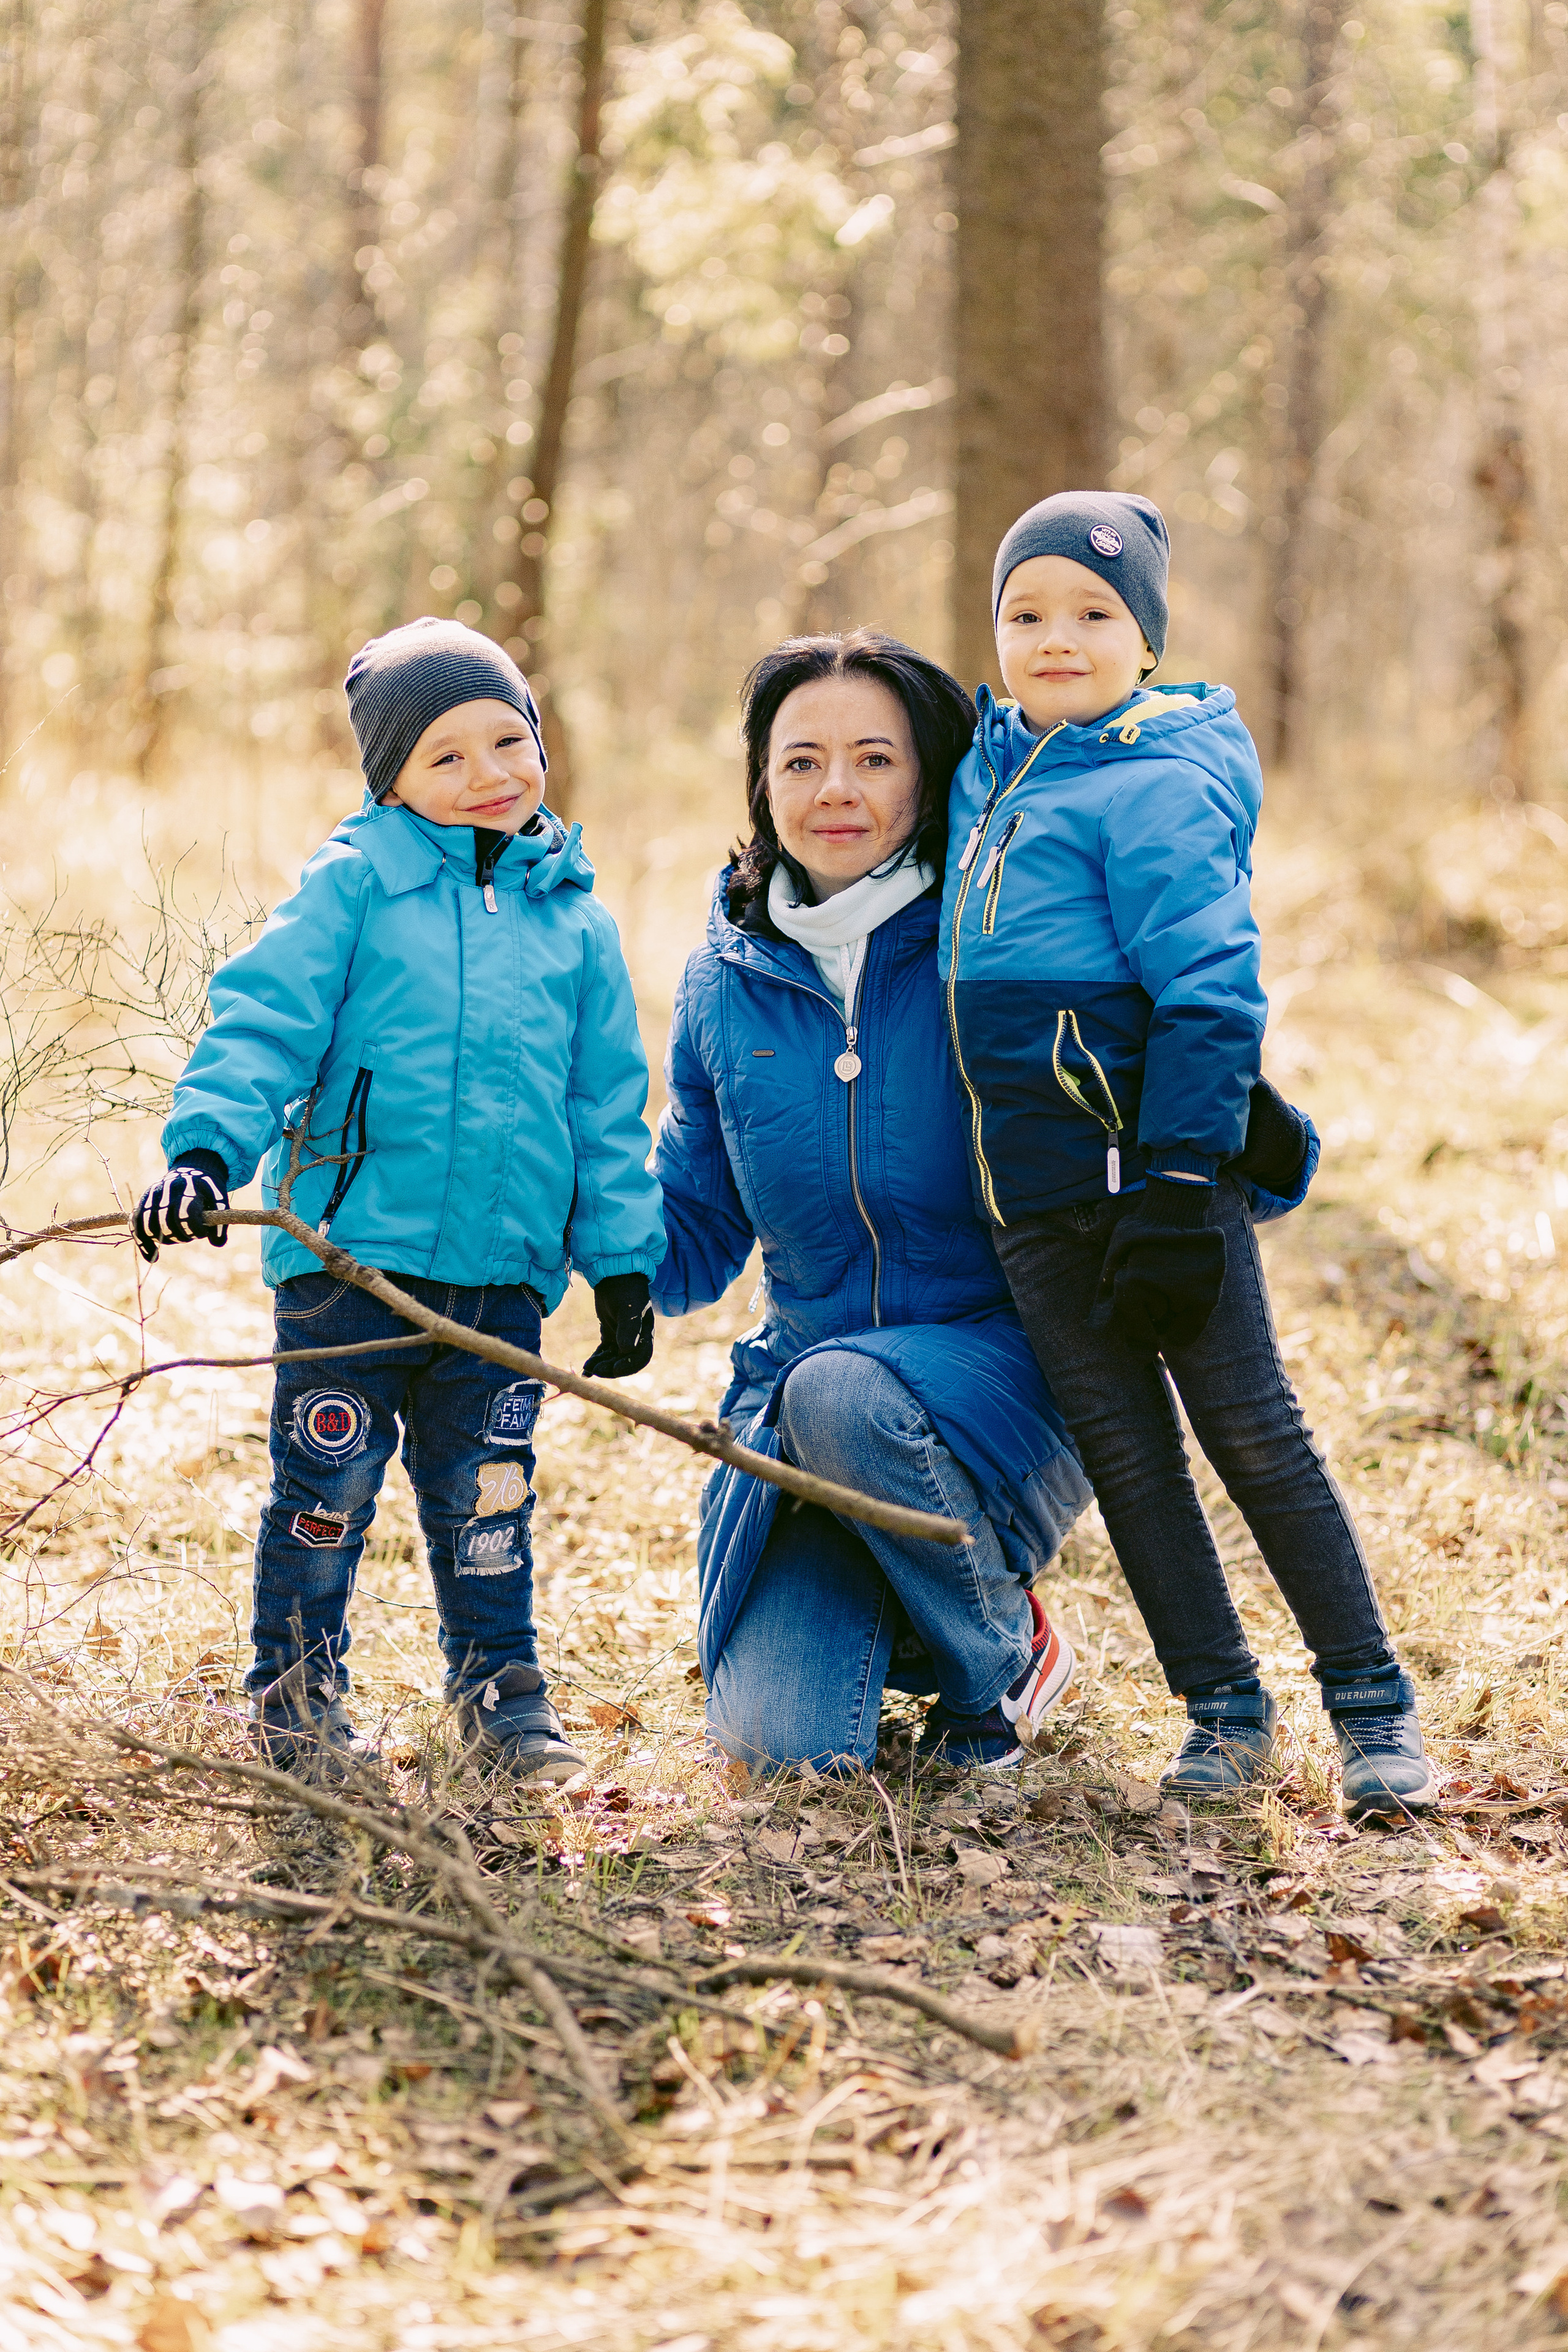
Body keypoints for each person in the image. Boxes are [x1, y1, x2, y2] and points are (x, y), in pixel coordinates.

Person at [940, 490, 1434, 1822]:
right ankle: (1219, 1707)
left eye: (1093, 614)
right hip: (1032, 1205)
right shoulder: (989, 768)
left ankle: (1371, 1705)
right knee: (1126, 1457)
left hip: (1156, 1186)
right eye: (1025, 612)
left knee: (1251, 1435)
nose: (1055, 638)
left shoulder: (1151, 778)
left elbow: (1211, 994)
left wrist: (1174, 1180)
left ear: (1144, 640)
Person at [131, 619, 663, 1785]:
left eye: (507, 742)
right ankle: (297, 1691)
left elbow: (605, 1111)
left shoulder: (576, 923)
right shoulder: (356, 885)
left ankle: (500, 1688)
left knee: (491, 1497)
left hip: (502, 1275)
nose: (489, 776)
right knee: (328, 1490)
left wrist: (623, 1262)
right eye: (447, 757)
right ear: (394, 778)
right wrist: (208, 1155)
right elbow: (264, 1022)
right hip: (350, 1259)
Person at [652, 628, 1092, 1777]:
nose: (834, 789)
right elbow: (691, 1244)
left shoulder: (999, 935)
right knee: (783, 1752)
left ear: (931, 772)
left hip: (1000, 1381)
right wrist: (550, 1194)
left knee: (848, 1388)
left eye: (873, 759)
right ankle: (922, 1606)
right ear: (761, 783)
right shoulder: (724, 977)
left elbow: (1148, 1117)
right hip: (800, 1412)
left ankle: (1002, 1655)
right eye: (800, 762)